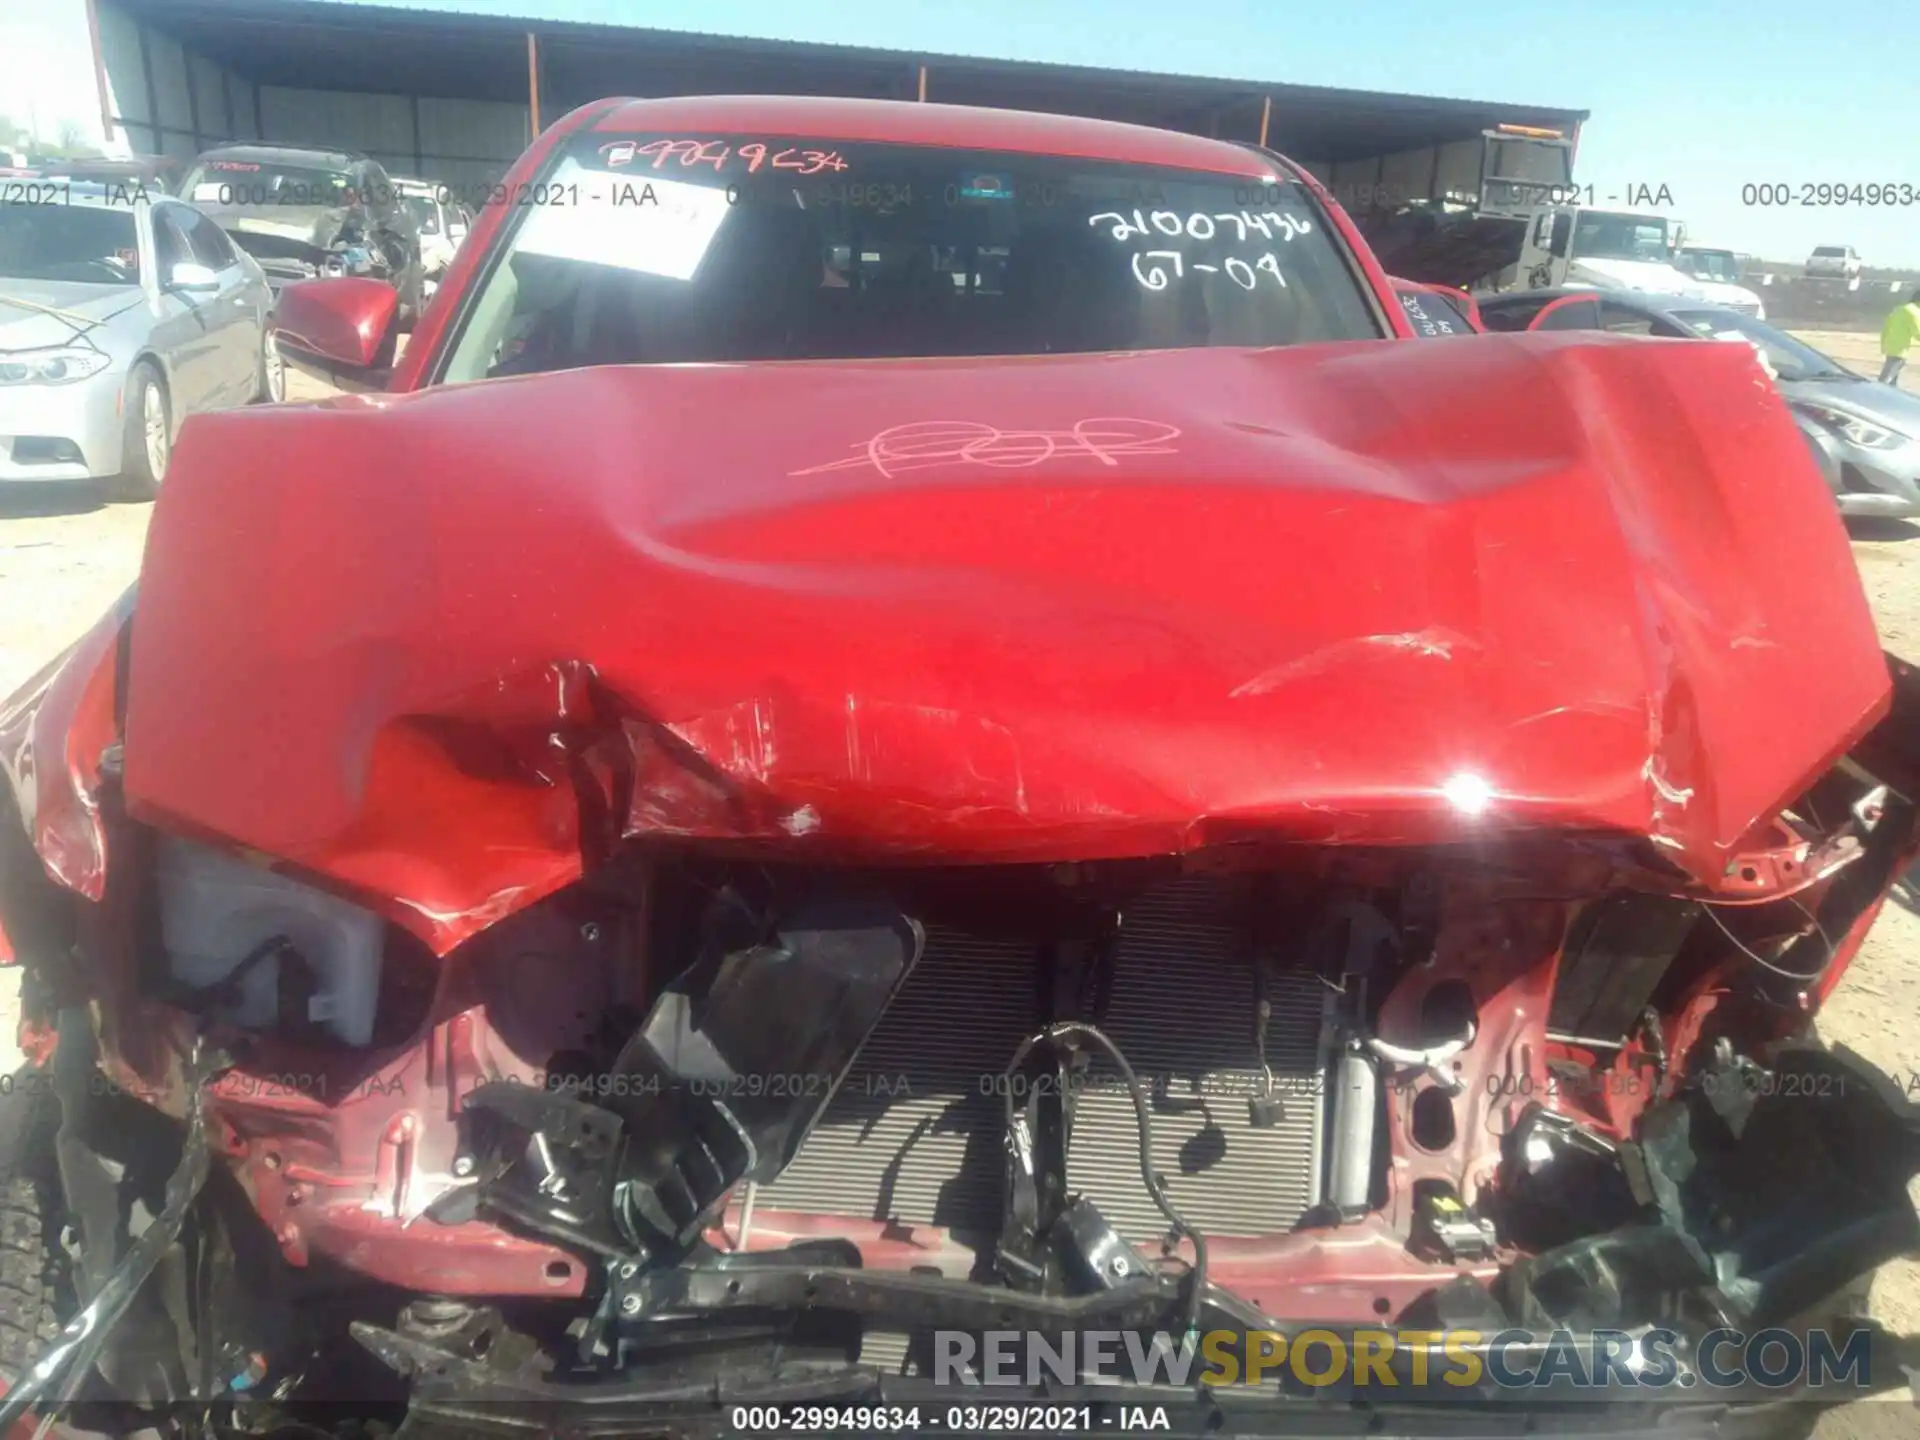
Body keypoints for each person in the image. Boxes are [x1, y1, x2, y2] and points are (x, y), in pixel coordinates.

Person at [1880, 288, 1920, 386]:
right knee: (1884, 381)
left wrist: (1883, 344)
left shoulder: (1898, 309)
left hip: (1890, 348)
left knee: (1892, 381)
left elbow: (1886, 327)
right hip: (1900, 351)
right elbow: (1918, 333)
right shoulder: (1914, 312)